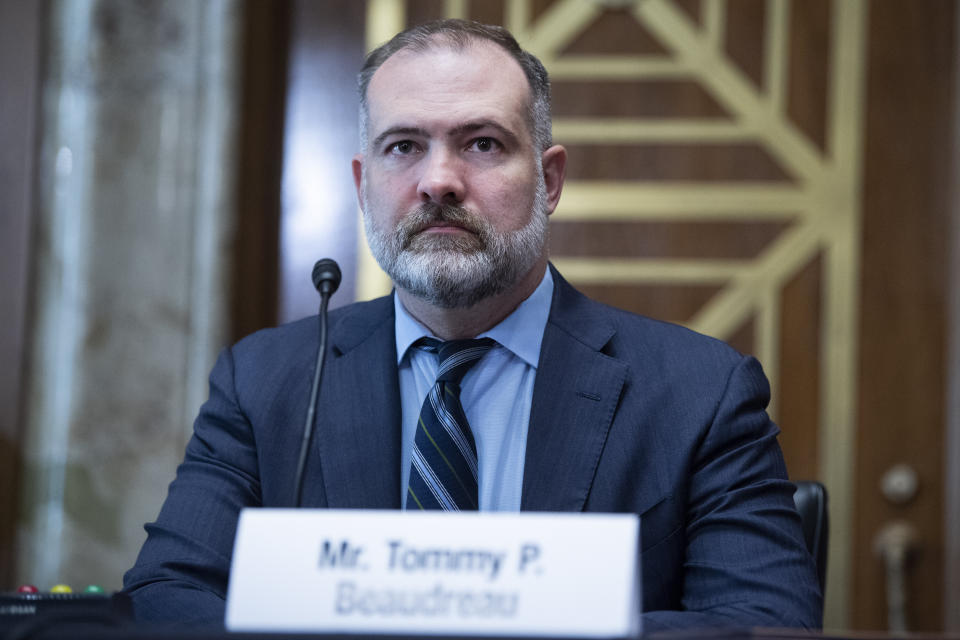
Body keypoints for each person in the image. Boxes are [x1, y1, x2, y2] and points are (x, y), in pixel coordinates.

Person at [124, 19, 822, 630]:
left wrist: (519, 616)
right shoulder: (267, 380)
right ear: (364, 185)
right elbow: (167, 592)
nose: (439, 181)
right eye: (404, 146)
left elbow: (764, 624)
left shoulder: (700, 392)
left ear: (548, 181)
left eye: (482, 144)